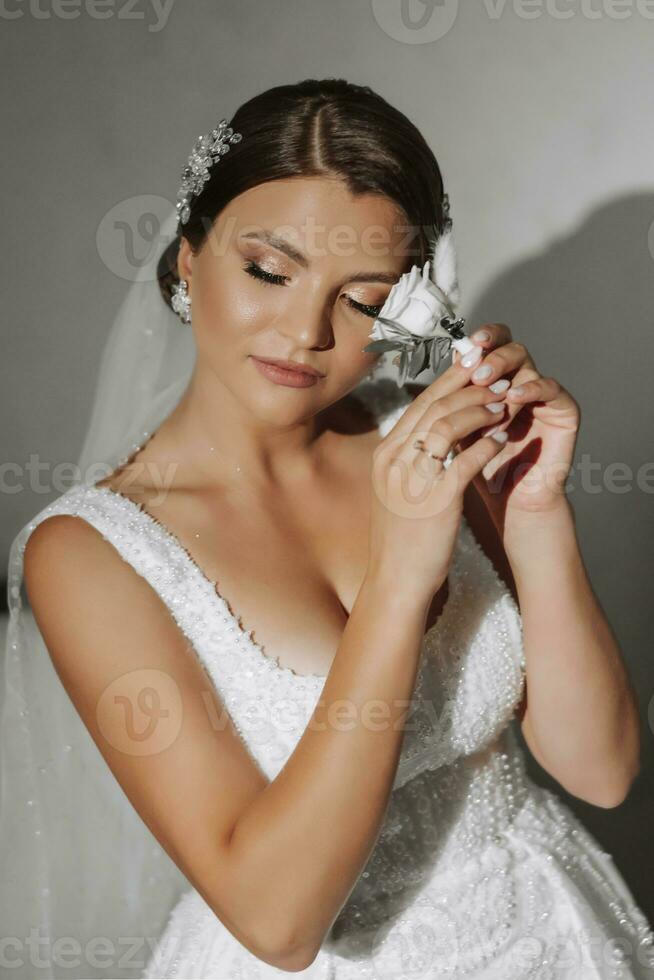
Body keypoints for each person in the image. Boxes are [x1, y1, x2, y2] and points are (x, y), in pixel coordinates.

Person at [3, 77, 654, 980]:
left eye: (363, 298)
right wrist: (397, 583)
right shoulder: (87, 555)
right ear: (188, 256)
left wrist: (536, 515)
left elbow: (603, 771)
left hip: (547, 930)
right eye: (269, 271)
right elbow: (279, 922)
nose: (305, 331)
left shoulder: (421, 440)